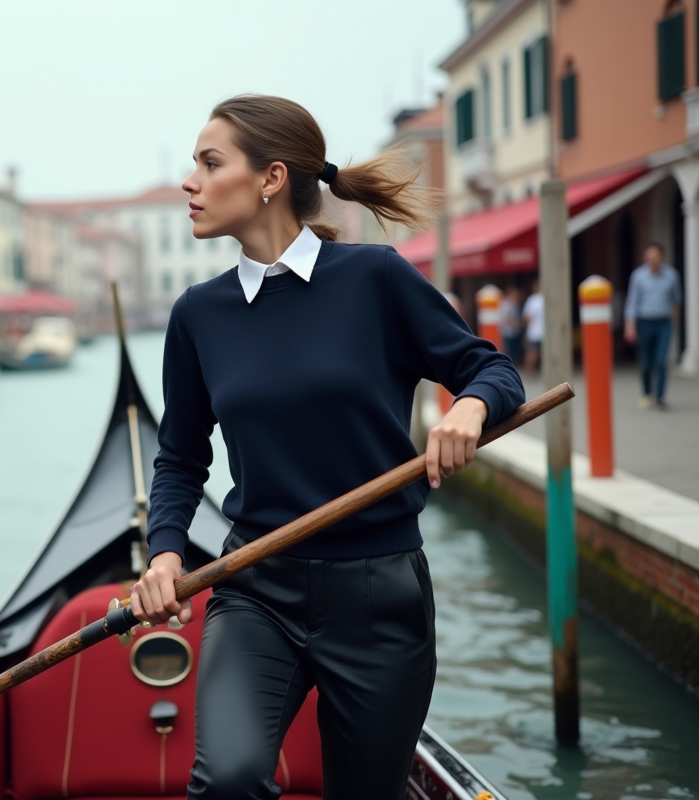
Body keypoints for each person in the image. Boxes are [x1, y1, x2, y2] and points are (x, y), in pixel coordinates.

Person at [128, 95, 524, 800]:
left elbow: (493, 370)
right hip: (256, 588)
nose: (189, 181)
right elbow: (181, 458)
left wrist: (468, 407)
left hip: (380, 595)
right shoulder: (197, 314)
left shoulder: (376, 277)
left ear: (270, 178)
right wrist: (163, 553)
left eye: (209, 162)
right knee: (226, 782)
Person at [624, 242, 683, 410]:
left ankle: (660, 396)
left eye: (654, 256)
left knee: (661, 360)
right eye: (648, 256)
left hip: (664, 323)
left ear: (661, 257)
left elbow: (676, 301)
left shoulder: (672, 275)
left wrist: (674, 323)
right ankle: (646, 391)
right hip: (645, 322)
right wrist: (630, 324)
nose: (651, 259)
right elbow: (632, 301)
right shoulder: (638, 276)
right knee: (646, 361)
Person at [499, 284, 524, 364]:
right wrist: (516, 324)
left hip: (514, 332)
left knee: (515, 351)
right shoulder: (506, 304)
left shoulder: (515, 304)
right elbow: (506, 318)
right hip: (508, 332)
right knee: (510, 352)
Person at [522, 279, 544, 373]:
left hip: (544, 332)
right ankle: (529, 371)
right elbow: (526, 316)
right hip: (535, 332)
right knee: (532, 353)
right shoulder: (532, 299)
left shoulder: (546, 298)